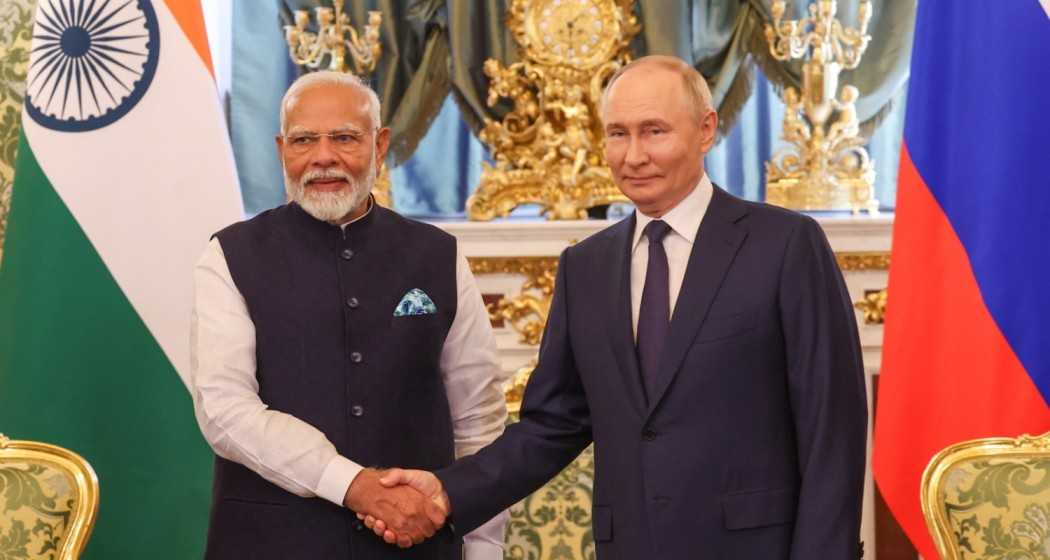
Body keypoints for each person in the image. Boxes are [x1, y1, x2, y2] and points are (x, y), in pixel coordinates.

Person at [367, 55, 867, 558]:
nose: (632, 156)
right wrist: (450, 491)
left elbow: (832, 429)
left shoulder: (784, 246)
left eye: (654, 131)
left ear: (706, 129)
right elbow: (553, 424)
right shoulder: (585, 267)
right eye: (617, 134)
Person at [189, 70, 509, 559]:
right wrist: (352, 483)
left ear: (380, 145)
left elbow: (478, 417)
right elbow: (225, 409)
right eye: (304, 141)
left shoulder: (437, 255)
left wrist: (485, 548)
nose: (323, 157)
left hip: (417, 547)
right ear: (281, 151)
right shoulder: (230, 256)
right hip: (267, 543)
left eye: (344, 138)